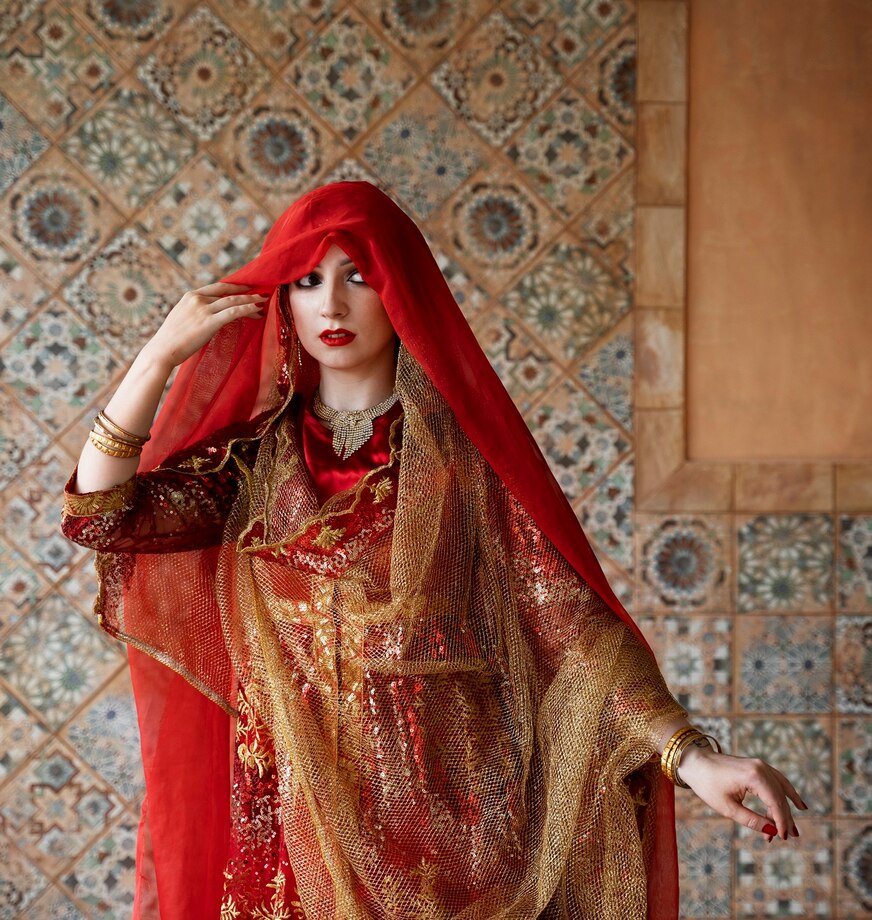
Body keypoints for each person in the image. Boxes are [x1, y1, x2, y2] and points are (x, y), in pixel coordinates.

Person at [60, 181, 806, 919]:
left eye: (359, 276)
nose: (331, 304)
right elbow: (102, 514)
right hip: (288, 830)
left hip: (446, 831)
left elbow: (570, 627)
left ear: (402, 293)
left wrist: (692, 757)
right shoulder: (252, 466)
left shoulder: (462, 464)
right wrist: (158, 358)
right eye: (307, 281)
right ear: (281, 302)